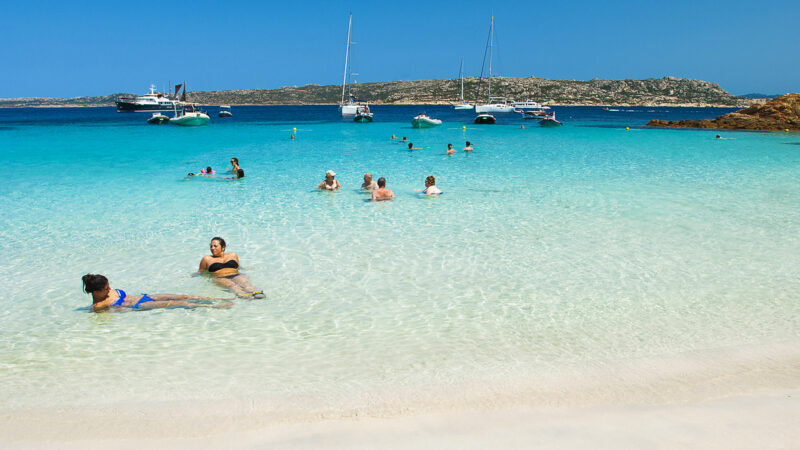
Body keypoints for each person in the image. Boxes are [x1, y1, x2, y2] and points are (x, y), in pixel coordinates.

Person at [82, 273, 231, 313]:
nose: (110, 289)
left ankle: (217, 298)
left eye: (109, 286)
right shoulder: (98, 306)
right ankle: (212, 307)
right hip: (140, 306)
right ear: (96, 292)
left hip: (145, 296)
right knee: (181, 303)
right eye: (106, 288)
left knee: (182, 296)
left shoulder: (107, 293)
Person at [197, 237, 265, 298]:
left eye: (215, 246)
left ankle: (255, 293)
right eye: (211, 246)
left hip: (235, 275)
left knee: (246, 284)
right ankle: (243, 295)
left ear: (223, 247)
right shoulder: (206, 259)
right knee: (233, 286)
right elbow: (201, 271)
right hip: (220, 277)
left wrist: (244, 268)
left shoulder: (233, 255)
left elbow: (238, 267)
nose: (212, 248)